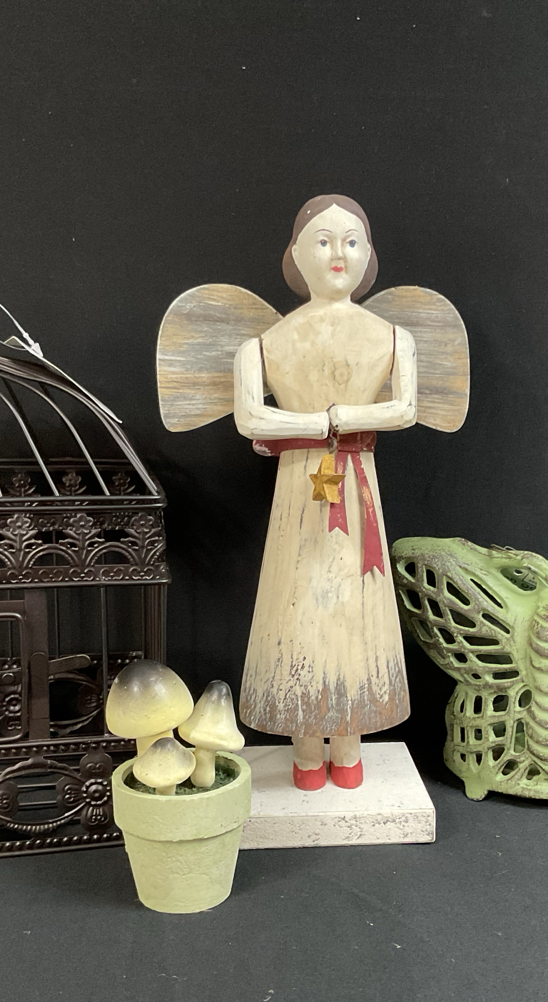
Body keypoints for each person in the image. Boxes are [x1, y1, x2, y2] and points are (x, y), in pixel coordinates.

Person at [231, 195, 418, 790]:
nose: (339, 253)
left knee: (354, 607)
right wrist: (324, 424)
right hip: (301, 489)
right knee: (299, 605)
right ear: (295, 255)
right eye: (323, 239)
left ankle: (350, 744)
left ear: (369, 255)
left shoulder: (395, 339)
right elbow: (249, 418)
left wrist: (337, 418)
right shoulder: (262, 345)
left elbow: (406, 409)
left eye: (351, 241)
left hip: (354, 484)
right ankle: (306, 751)